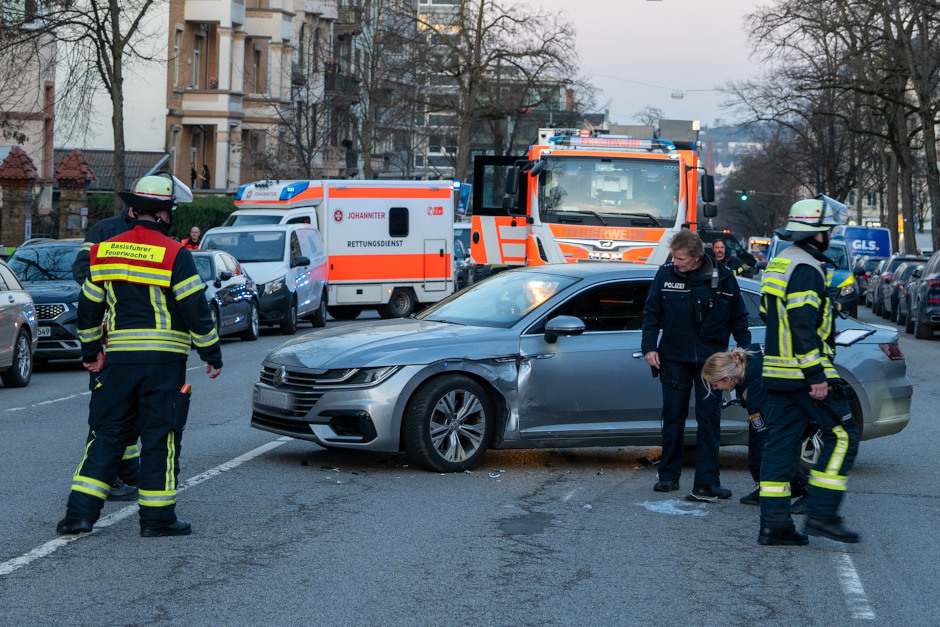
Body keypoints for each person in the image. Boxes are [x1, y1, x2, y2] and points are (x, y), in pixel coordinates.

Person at [57, 173, 223, 538]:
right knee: (160, 437)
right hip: (163, 363)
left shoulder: (105, 250)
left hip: (117, 361)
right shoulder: (175, 253)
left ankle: (78, 516)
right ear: (163, 213)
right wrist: (211, 353)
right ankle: (157, 519)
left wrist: (91, 353)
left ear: (134, 209)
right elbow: (195, 309)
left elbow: (89, 308)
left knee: (108, 434)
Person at [756, 195, 859, 547]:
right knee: (844, 436)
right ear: (817, 234)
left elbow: (772, 317)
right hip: (803, 373)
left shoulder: (781, 263)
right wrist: (816, 376)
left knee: (780, 446)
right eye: (828, 230)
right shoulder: (807, 270)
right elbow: (801, 325)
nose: (830, 235)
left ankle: (775, 525)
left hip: (778, 373)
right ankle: (822, 514)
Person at [641, 228, 751, 502]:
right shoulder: (665, 274)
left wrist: (742, 353)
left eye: (680, 258)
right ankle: (668, 477)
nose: (675, 262)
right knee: (673, 418)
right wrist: (649, 347)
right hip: (674, 358)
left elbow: (739, 317)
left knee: (710, 420)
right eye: (674, 257)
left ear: (697, 257)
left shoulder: (723, 277)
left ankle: (708, 481)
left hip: (711, 362)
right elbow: (652, 312)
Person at [73, 205, 141, 502]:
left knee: (134, 411)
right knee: (107, 411)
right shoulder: (105, 230)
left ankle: (126, 470)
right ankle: (106, 478)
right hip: (111, 339)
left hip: (139, 341)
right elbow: (82, 270)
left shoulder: (155, 232)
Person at [701, 346, 808, 513]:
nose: (715, 389)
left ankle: (807, 491)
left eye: (716, 384)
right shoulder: (744, 358)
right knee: (756, 440)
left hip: (798, 405)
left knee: (774, 447)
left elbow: (766, 434)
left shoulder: (754, 388)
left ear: (728, 378)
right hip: (792, 393)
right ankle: (764, 487)